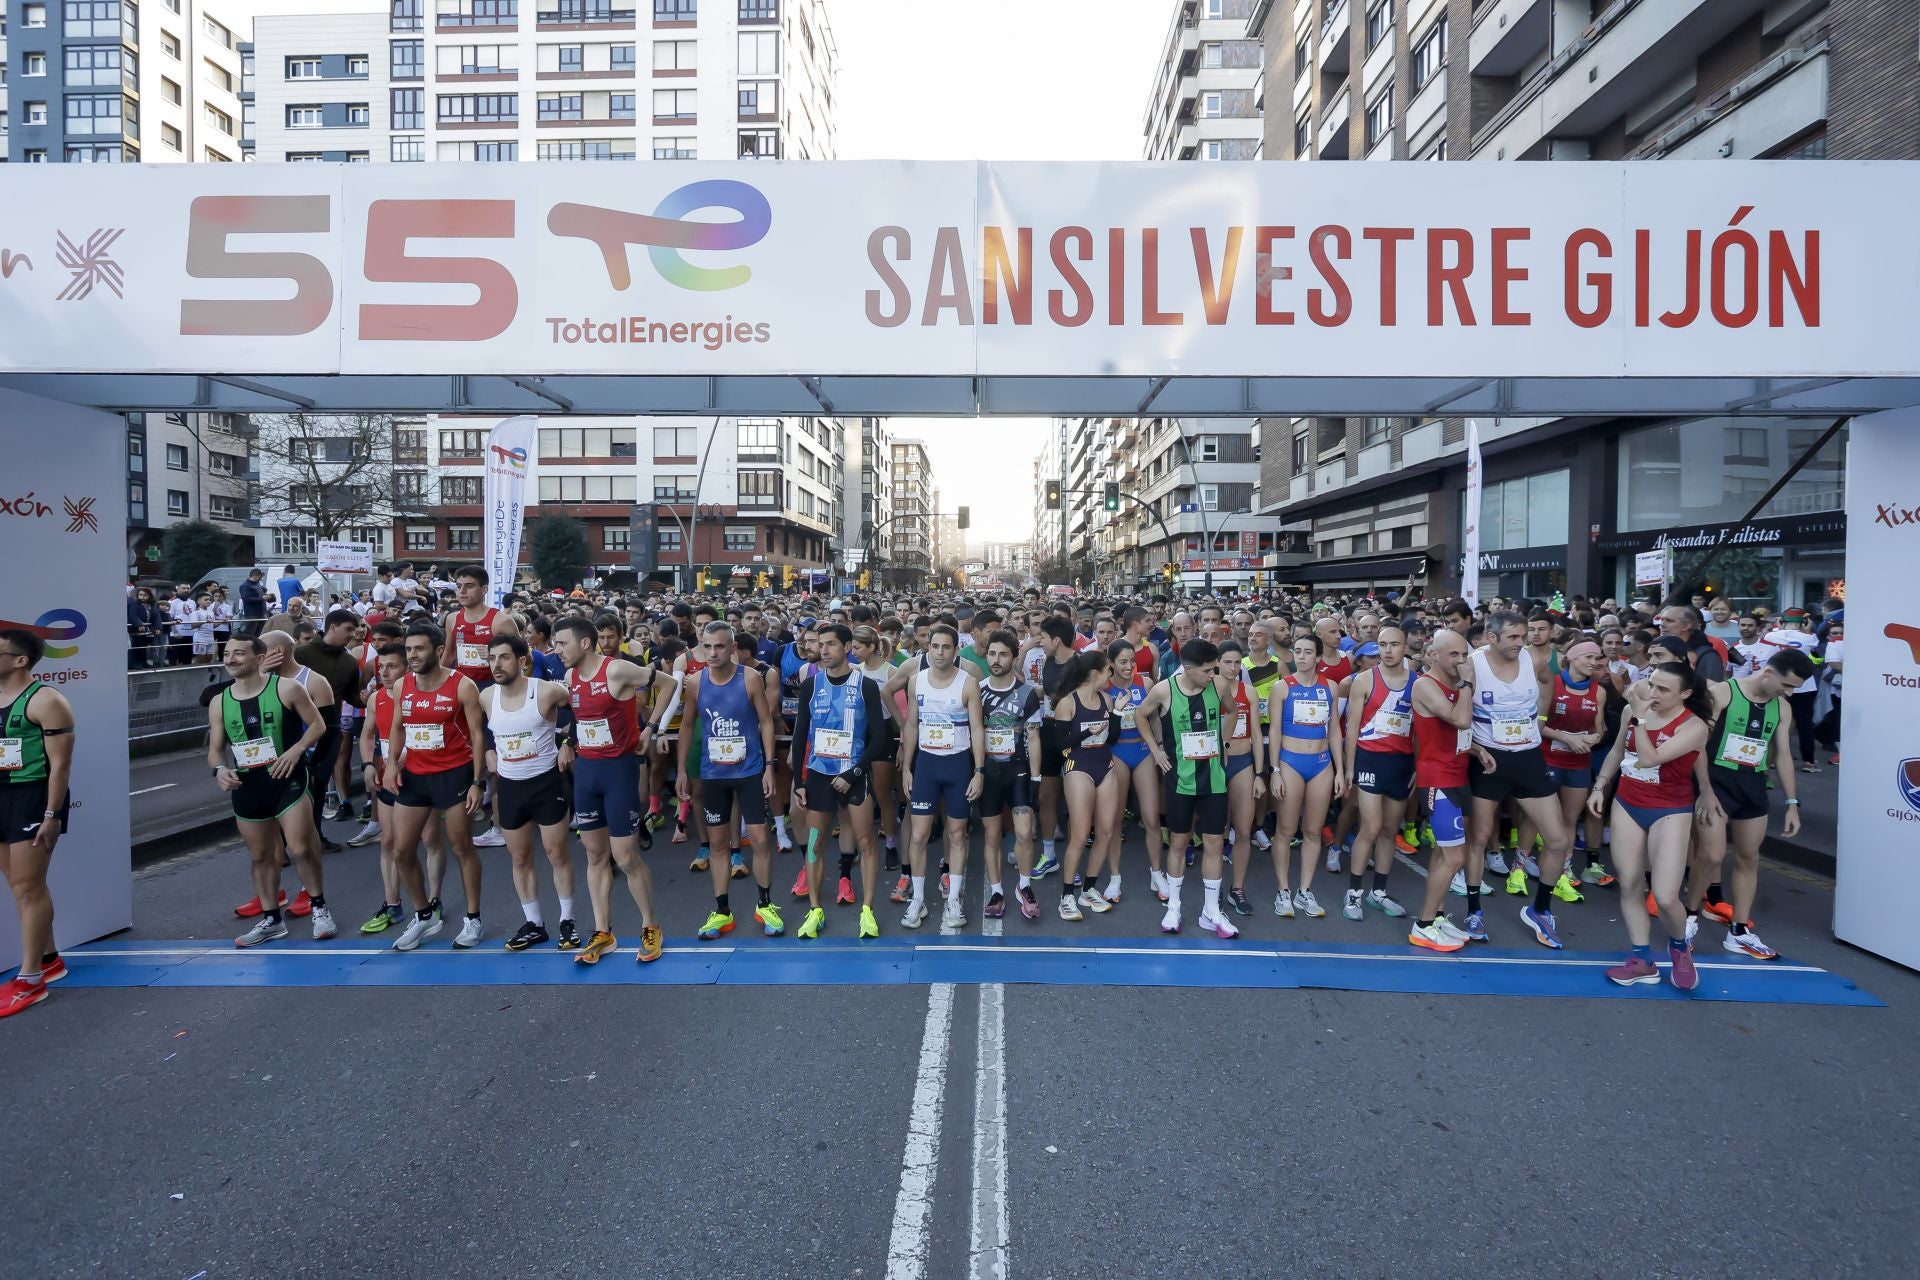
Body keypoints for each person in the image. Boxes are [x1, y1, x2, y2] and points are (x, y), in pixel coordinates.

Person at [1591, 663, 1714, 989]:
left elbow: (1649, 758)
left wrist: (1641, 719)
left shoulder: (1694, 726)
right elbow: (1619, 750)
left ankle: (1678, 945)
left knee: (1664, 895)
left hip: (1670, 809)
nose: (1653, 693)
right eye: (1652, 684)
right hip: (1628, 802)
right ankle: (1642, 959)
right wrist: (1600, 785)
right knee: (1629, 882)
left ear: (1685, 694)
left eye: (1663, 689)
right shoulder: (1634, 708)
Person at [1688, 648, 1813, 961]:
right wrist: (1704, 789)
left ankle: (1739, 931)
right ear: (1768, 673)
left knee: (1749, 858)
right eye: (1787, 685)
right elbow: (1698, 744)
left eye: (1795, 688)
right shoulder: (1723, 693)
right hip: (1716, 783)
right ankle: (1689, 920)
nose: (1789, 692)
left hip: (1752, 785)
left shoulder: (1782, 707)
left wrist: (1792, 803)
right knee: (1712, 854)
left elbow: (1782, 755)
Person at [209, 636, 334, 948]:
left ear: (259, 656)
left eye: (239, 653)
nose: (231, 659)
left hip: (288, 778)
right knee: (261, 855)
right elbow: (215, 751)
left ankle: (319, 908)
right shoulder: (219, 701)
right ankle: (272, 919)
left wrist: (296, 750)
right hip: (248, 784)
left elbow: (318, 725)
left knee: (301, 848)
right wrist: (219, 770)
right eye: (227, 654)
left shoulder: (286, 688)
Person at [1461, 611, 1574, 949]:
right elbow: (1456, 716)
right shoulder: (1472, 664)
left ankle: (1540, 909)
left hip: (1528, 758)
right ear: (1490, 637)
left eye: (1522, 636)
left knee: (1556, 839)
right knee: (1479, 839)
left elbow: (1547, 681)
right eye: (1511, 637)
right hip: (1489, 760)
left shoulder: (1533, 659)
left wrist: (1539, 718)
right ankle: (1473, 910)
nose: (1519, 642)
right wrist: (1475, 749)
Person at [555, 616, 661, 963]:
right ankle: (604, 932)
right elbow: (583, 717)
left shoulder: (615, 671)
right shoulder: (571, 677)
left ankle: (650, 926)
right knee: (595, 855)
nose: (557, 651)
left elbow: (672, 683)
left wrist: (651, 729)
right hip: (587, 773)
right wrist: (568, 740)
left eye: (562, 643)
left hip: (618, 770)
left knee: (626, 857)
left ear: (584, 643)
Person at [382, 622, 488, 952]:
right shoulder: (402, 685)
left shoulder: (463, 685)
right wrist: (390, 763)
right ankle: (424, 914)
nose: (412, 655)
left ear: (439, 651)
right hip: (415, 774)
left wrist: (477, 782)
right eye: (409, 649)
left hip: (454, 774)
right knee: (401, 850)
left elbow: (478, 736)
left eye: (419, 649)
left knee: (461, 848)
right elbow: (398, 727)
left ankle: (473, 919)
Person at [677, 622, 782, 941]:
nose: (712, 653)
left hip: (749, 771)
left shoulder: (749, 677)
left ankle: (764, 904)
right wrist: (682, 769)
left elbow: (766, 722)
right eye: (707, 646)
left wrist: (768, 765)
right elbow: (686, 726)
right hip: (713, 774)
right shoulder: (695, 682)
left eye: (720, 646)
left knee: (761, 840)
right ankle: (722, 911)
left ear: (733, 647)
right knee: (718, 843)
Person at [787, 623, 889, 940]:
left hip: (854, 776)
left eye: (832, 644)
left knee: (866, 842)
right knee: (816, 845)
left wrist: (853, 773)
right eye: (822, 644)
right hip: (818, 776)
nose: (825, 649)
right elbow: (800, 734)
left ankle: (868, 911)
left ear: (847, 647)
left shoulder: (865, 686)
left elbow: (880, 739)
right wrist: (798, 781)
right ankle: (815, 910)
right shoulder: (811, 685)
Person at [484, 634, 584, 954]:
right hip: (511, 786)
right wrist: (488, 751)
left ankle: (567, 920)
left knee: (556, 854)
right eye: (492, 658)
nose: (497, 664)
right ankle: (535, 924)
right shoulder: (487, 697)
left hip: (546, 782)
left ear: (522, 660)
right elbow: (483, 729)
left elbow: (581, 710)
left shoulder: (547, 690)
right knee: (520, 857)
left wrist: (568, 743)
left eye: (504, 657)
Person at [1132, 639, 1240, 939]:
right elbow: (1141, 714)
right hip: (1181, 778)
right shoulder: (1164, 689)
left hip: (1214, 777)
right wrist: (1155, 750)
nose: (1213, 674)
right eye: (1207, 670)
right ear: (1188, 668)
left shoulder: (1218, 686)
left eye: (1214, 668)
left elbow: (1232, 712)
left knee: (1215, 842)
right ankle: (1174, 906)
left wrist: (1225, 743)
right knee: (1179, 842)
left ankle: (1211, 911)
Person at [0, 629, 76, 1017]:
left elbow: (60, 765)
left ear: (20, 660)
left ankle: (30, 980)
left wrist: (51, 814)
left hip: (31, 798)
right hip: (1, 796)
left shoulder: (47, 700)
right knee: (19, 886)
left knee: (29, 887)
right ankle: (48, 959)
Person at [898, 624, 986, 930]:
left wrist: (979, 771)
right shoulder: (915, 681)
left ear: (955, 650)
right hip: (927, 767)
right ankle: (918, 900)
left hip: (958, 766)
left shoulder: (968, 683)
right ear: (928, 648)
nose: (940, 653)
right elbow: (911, 725)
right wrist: (907, 767)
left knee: (957, 834)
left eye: (946, 647)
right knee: (919, 836)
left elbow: (977, 729)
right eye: (935, 646)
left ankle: (953, 902)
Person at [1406, 630, 1478, 952]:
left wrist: (1477, 750)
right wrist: (1466, 684)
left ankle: (1435, 917)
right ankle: (1422, 925)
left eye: (1464, 655)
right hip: (1438, 780)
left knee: (1441, 854)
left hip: (1458, 776)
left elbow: (1455, 733)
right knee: (1454, 857)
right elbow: (1461, 720)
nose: (1461, 662)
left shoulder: (1453, 685)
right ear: (1433, 655)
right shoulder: (1425, 685)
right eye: (1454, 655)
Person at [1341, 624, 1414, 921]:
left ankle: (1378, 892)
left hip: (1401, 763)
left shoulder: (1418, 682)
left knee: (1388, 831)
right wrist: (1349, 768)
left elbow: (1420, 730)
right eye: (1383, 645)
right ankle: (1354, 893)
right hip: (1370, 759)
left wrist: (1419, 766)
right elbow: (1353, 728)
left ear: (1405, 647)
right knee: (1370, 827)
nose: (1387, 650)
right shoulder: (1364, 680)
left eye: (1394, 644)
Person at [1270, 632, 1344, 919]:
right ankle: (1283, 890)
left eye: (1307, 652)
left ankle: (1304, 890)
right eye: (1297, 651)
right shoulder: (1282, 687)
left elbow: (1335, 729)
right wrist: (1274, 770)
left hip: (1322, 763)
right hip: (1290, 761)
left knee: (1313, 831)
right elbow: (1274, 730)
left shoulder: (1331, 687)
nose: (1301, 657)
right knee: (1286, 830)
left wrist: (1340, 770)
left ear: (1317, 656)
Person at [977, 630, 1047, 921]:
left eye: (1003, 654)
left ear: (1013, 657)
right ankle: (996, 891)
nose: (996, 659)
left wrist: (1035, 778)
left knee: (1024, 833)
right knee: (992, 835)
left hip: (1017, 770)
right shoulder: (977, 689)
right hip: (989, 772)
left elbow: (1033, 738)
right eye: (992, 653)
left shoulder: (1027, 693)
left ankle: (1024, 886)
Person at [1051, 646, 1121, 921]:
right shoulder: (1067, 703)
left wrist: (1116, 715)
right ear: (1096, 673)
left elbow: (1112, 739)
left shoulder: (1107, 700)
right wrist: (1086, 734)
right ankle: (1067, 895)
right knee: (1080, 835)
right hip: (1078, 766)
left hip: (1104, 765)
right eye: (1108, 672)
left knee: (1105, 831)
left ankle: (1089, 888)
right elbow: (1059, 745)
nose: (1110, 678)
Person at [237, 569, 269, 640]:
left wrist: (265, 595)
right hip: (252, 614)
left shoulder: (257, 584)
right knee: (250, 635)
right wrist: (262, 598)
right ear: (254, 575)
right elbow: (246, 599)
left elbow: (260, 594)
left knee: (261, 634)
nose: (261, 579)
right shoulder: (245, 586)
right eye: (260, 577)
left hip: (261, 613)